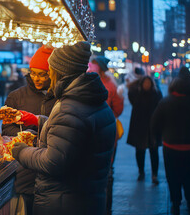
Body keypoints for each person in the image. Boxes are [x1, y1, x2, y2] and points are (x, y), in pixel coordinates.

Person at [11, 42, 116, 215]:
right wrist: (41, 122)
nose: (49, 76)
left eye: (50, 71)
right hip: (88, 198)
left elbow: (53, 162)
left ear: (59, 73)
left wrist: (22, 152)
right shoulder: (94, 101)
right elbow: (75, 135)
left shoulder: (71, 107)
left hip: (64, 203)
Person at [3, 45, 57, 215]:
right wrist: (28, 137)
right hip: (24, 168)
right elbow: (6, 129)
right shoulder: (16, 96)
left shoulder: (60, 99)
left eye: (42, 74)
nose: (36, 78)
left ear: (52, 74)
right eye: (33, 73)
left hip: (51, 169)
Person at [151, 67, 190, 215]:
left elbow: (154, 124)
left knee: (173, 176)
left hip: (171, 146)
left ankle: (175, 203)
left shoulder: (165, 102)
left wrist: (157, 138)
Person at [87, 56, 124, 214]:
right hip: (102, 133)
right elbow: (117, 110)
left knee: (105, 172)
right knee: (106, 171)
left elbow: (118, 109)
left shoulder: (109, 85)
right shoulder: (110, 83)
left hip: (102, 134)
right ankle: (104, 208)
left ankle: (105, 208)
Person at [127, 75, 162, 184]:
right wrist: (137, 79)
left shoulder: (156, 94)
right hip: (139, 126)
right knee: (140, 151)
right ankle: (141, 172)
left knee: (154, 151)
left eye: (149, 82)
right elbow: (130, 91)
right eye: (144, 82)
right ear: (141, 84)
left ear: (152, 84)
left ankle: (154, 175)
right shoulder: (136, 94)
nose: (147, 84)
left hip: (153, 127)